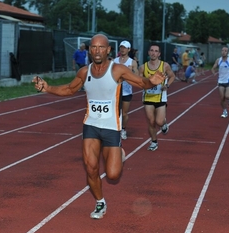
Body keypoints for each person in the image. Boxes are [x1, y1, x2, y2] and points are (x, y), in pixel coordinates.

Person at [32, 34, 166, 219]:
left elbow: (139, 82)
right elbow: (70, 89)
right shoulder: (84, 72)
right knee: (90, 167)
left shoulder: (117, 70)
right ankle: (100, 202)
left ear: (108, 50)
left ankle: (119, 153)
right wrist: (47, 88)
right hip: (91, 125)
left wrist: (151, 82)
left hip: (111, 126)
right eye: (93, 47)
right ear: (89, 50)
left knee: (112, 175)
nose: (97, 51)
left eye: (101, 47)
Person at [139, 43, 175, 151]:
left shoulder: (164, 66)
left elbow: (172, 76)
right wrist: (147, 82)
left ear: (159, 54)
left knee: (158, 122)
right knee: (151, 121)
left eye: (156, 51)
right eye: (151, 50)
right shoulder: (143, 67)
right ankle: (154, 142)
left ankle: (163, 124)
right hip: (148, 97)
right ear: (149, 52)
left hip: (160, 97)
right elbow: (139, 81)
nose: (153, 53)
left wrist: (167, 85)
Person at [114, 41, 138, 140]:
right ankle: (115, 129)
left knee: (124, 113)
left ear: (129, 49)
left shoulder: (132, 62)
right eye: (121, 47)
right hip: (115, 91)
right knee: (114, 112)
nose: (122, 49)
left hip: (126, 91)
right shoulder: (114, 61)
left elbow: (137, 76)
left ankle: (123, 129)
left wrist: (131, 70)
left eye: (125, 48)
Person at [211, 46, 229, 118]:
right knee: (222, 98)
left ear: (228, 52)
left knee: (227, 96)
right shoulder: (218, 60)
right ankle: (224, 111)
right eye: (222, 50)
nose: (223, 52)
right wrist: (213, 72)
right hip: (221, 81)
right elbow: (213, 68)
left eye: (225, 51)